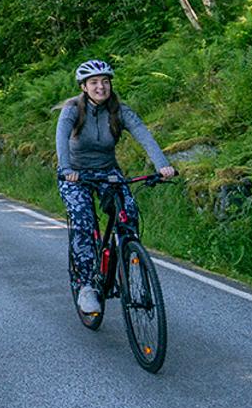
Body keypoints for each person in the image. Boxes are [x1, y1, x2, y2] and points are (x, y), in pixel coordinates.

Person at [58, 59, 176, 315]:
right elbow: (61, 140)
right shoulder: (72, 110)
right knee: (84, 223)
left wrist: (162, 165)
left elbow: (144, 134)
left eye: (105, 81)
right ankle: (87, 285)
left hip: (108, 171)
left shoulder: (120, 111)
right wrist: (67, 170)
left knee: (129, 214)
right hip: (76, 174)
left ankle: (125, 259)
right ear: (84, 87)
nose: (101, 86)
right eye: (94, 83)